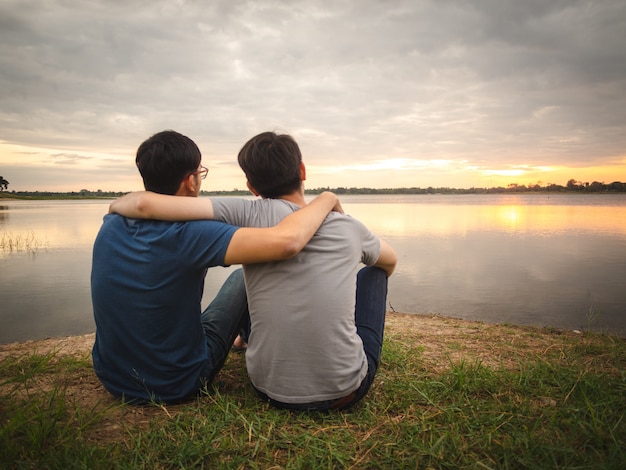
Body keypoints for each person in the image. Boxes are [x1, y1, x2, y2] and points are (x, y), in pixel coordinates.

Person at [110, 131, 398, 410]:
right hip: (341, 393)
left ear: (251, 187)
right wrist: (331, 205)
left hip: (266, 388)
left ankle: (246, 338)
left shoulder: (245, 214)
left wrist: (121, 203)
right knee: (374, 273)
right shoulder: (350, 228)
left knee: (251, 275)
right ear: (302, 170)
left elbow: (149, 205)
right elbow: (389, 260)